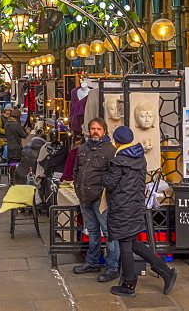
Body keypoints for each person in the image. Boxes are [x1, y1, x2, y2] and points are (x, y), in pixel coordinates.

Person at [103, 126, 178, 298]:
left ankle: (129, 284)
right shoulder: (139, 158)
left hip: (123, 207)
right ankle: (165, 272)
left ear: (116, 142)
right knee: (130, 243)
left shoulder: (118, 161)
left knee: (126, 245)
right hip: (136, 205)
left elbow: (110, 183)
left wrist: (102, 176)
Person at [71, 118, 120, 283]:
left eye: (98, 128)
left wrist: (104, 193)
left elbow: (113, 175)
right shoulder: (83, 148)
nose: (95, 131)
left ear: (104, 131)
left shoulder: (109, 150)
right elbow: (76, 170)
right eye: (93, 128)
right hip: (84, 197)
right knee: (92, 232)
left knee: (108, 233)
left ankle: (112, 267)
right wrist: (77, 189)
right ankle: (92, 262)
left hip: (101, 199)